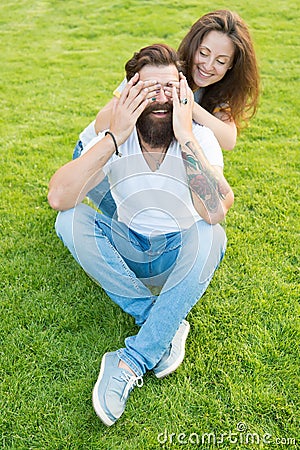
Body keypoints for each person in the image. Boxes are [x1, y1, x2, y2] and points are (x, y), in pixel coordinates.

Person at [48, 44, 234, 426]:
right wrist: (113, 138)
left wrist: (185, 137)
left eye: (169, 87)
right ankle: (162, 321)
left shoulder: (199, 137)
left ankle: (132, 359)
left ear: (183, 91)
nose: (161, 97)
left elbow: (214, 210)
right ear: (130, 91)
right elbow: (59, 197)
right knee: (69, 222)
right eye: (149, 88)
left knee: (213, 236)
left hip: (175, 259)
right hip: (129, 246)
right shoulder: (116, 133)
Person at [73, 9, 258, 214]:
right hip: (94, 155)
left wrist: (185, 101)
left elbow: (228, 139)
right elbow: (100, 124)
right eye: (203, 53)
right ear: (192, 46)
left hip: (145, 161)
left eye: (221, 61)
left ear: (231, 65)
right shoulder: (156, 69)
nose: (208, 65)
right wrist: (137, 96)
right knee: (135, 223)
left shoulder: (216, 92)